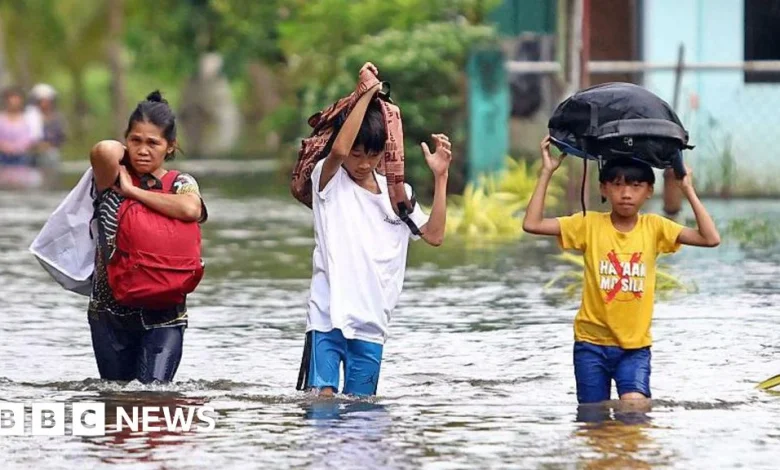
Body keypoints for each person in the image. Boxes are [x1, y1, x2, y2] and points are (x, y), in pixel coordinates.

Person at [522, 135, 720, 404]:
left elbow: (710, 238)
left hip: (635, 348)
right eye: (617, 185)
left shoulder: (655, 227)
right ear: (603, 189)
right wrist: (547, 172)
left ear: (649, 190)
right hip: (590, 345)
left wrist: (687, 189)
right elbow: (532, 223)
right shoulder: (588, 224)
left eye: (636, 186)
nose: (626, 193)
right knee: (593, 419)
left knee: (635, 409)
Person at [298, 62, 451, 397]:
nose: (363, 162)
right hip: (327, 317)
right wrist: (366, 95)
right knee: (321, 402)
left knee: (362, 412)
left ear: (384, 153)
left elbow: (435, 235)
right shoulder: (330, 181)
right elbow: (339, 150)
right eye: (357, 154)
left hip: (371, 324)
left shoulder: (400, 196)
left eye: (372, 154)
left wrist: (441, 178)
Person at [88, 90, 207, 384]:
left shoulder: (180, 183)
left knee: (154, 395)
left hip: (164, 314)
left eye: (153, 143)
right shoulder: (112, 177)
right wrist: (124, 169)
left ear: (170, 147)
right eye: (135, 140)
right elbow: (103, 149)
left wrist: (134, 193)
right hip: (110, 312)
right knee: (116, 398)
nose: (143, 150)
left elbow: (192, 209)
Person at [30, 83, 66, 171]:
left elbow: (61, 137)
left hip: (51, 152)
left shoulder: (58, 118)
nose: (45, 103)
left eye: (47, 100)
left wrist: (49, 145)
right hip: (32, 153)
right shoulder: (30, 117)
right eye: (42, 100)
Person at [0, 86, 35, 164]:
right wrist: (5, 147)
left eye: (17, 98)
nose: (14, 102)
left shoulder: (28, 118)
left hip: (22, 156)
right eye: (11, 98)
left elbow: (31, 139)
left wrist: (17, 148)